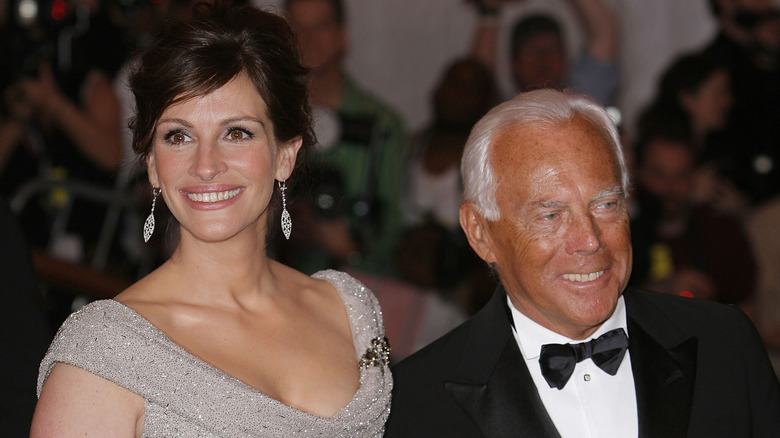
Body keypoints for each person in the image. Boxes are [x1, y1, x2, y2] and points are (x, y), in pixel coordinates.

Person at [31, 2, 391, 436]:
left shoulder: (350, 311)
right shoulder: (103, 354)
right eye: (178, 136)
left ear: (285, 155)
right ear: (151, 166)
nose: (205, 165)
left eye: (236, 132)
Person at [385, 89, 780, 437]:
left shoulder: (724, 345)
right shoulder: (416, 403)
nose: (590, 240)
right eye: (550, 215)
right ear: (479, 232)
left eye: (606, 205)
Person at [281, 0, 406, 276]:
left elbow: (393, 233)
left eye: (321, 26)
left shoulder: (382, 124)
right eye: (297, 28)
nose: (308, 39)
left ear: (342, 36)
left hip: (361, 287)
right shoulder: (269, 118)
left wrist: (349, 250)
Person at [629, 130, 756, 306]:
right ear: (638, 173)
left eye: (680, 175)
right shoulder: (622, 235)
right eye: (659, 174)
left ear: (694, 178)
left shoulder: (721, 233)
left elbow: (747, 316)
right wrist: (661, 289)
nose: (670, 187)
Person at [470, 0, 620, 106]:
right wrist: (489, 11)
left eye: (553, 49)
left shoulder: (584, 102)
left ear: (566, 58)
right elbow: (477, 79)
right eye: (532, 50)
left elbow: (605, 33)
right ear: (514, 63)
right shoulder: (498, 115)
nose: (543, 58)